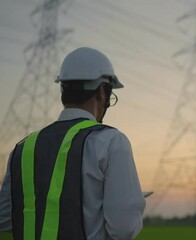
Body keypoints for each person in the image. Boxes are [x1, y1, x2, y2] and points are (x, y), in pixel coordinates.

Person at [0, 47, 145, 240]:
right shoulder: (111, 142)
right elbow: (124, 228)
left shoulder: (24, 147)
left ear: (63, 90)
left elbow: (5, 219)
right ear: (102, 92)